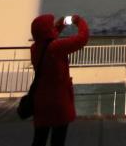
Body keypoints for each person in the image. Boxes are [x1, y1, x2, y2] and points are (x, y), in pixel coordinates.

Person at [29, 13, 89, 146]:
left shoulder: (35, 48)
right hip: (58, 102)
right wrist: (79, 21)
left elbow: (46, 37)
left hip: (41, 102)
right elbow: (81, 39)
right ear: (47, 30)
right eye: (51, 25)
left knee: (39, 139)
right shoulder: (56, 47)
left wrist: (59, 26)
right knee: (58, 141)